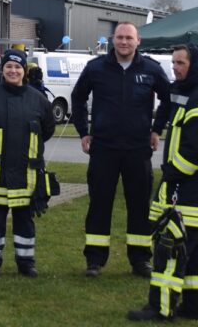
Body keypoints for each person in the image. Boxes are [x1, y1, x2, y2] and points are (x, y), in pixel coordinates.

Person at [128, 43, 198, 322]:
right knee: (197, 251)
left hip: (189, 190)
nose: (175, 68)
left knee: (171, 248)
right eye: (173, 62)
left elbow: (195, 149)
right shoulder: (191, 91)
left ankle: (161, 307)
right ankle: (196, 307)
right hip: (195, 191)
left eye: (181, 63)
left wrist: (171, 174)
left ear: (196, 65)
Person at [71, 21, 171, 278]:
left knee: (139, 205)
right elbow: (78, 98)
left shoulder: (151, 69)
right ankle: (94, 260)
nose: (124, 42)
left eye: (129, 37)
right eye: (119, 37)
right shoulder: (96, 68)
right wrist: (84, 132)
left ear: (138, 41)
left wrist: (156, 128)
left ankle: (140, 260)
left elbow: (168, 100)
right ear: (112, 40)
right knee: (99, 204)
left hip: (138, 149)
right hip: (104, 148)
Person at [0, 49, 55, 278]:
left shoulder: (38, 100)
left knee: (25, 222)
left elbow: (47, 130)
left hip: (27, 175)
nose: (13, 71)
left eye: (17, 67)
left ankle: (26, 263)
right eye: (9, 67)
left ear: (24, 71)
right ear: (2, 70)